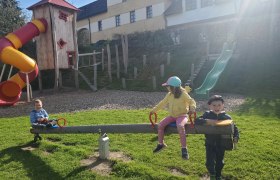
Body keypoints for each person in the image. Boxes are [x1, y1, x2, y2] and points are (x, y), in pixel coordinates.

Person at [150, 76, 196, 160]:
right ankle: (161, 144)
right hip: (172, 116)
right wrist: (154, 110)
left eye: (168, 86)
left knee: (180, 126)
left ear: (173, 87)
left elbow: (191, 101)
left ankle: (184, 149)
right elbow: (162, 103)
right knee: (160, 125)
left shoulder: (183, 93)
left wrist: (192, 108)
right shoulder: (169, 94)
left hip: (182, 115)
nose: (167, 88)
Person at [197, 95, 239, 180]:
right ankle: (212, 174)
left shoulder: (227, 117)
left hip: (221, 144)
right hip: (210, 143)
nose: (217, 107)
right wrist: (207, 121)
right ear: (210, 106)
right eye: (214, 105)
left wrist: (236, 137)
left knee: (220, 162)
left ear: (223, 105)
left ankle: (218, 176)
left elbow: (234, 128)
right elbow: (197, 120)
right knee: (209, 162)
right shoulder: (207, 114)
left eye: (219, 105)